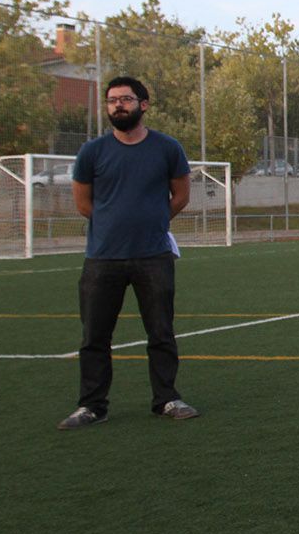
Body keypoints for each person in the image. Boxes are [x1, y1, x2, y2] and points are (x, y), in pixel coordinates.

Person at [57, 76, 200, 430]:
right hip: (103, 259)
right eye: (111, 101)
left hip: (153, 256)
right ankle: (92, 406)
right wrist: (113, 227)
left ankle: (166, 398)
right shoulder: (93, 152)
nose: (118, 105)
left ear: (144, 104)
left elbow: (181, 196)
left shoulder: (167, 148)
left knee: (161, 332)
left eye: (125, 99)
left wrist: (153, 221)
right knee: (94, 336)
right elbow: (83, 203)